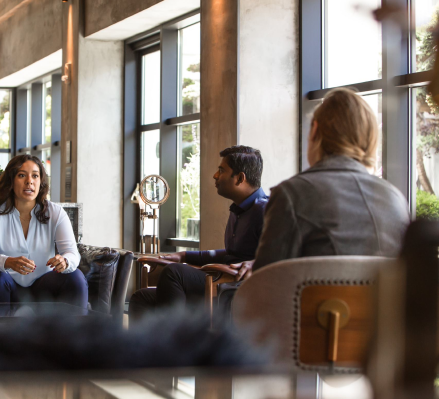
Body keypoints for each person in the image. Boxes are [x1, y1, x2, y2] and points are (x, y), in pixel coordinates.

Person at [253, 87, 410, 269]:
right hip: (380, 299)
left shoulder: (291, 195)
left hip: (315, 299)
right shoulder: (395, 198)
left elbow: (266, 285)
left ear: (315, 131)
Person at [129, 146, 268, 319]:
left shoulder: (266, 211)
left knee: (175, 273)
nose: (215, 176)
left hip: (237, 290)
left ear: (240, 178)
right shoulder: (238, 211)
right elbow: (231, 255)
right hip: (222, 282)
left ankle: (176, 341)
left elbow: (285, 256)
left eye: (221, 170)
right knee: (141, 298)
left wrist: (255, 263)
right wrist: (184, 256)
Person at [0, 154, 88, 307]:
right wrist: (7, 261)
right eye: (22, 175)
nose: (29, 181)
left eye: (35, 176)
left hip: (44, 288)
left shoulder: (56, 212)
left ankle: (78, 331)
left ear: (40, 182)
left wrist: (65, 261)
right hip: (7, 286)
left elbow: (72, 253)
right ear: (11, 181)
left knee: (75, 277)